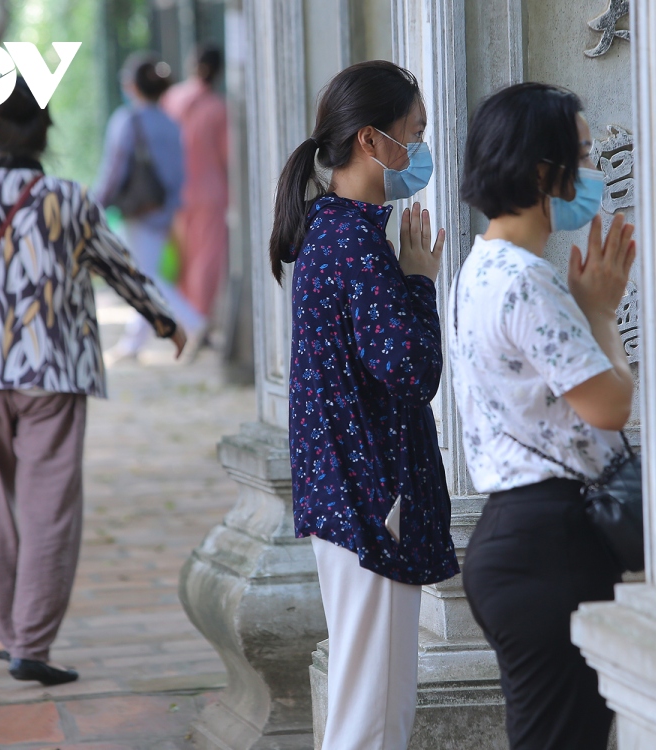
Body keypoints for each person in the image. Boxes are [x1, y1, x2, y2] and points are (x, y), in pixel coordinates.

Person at [0, 78, 186, 686]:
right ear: (45, 135)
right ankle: (29, 643)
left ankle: (9, 631)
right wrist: (163, 322)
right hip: (51, 373)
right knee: (48, 511)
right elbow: (118, 267)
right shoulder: (67, 198)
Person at [269, 60, 458, 750]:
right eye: (415, 133)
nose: (421, 150)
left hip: (351, 494)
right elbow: (412, 371)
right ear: (373, 142)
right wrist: (417, 284)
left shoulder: (335, 230)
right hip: (370, 498)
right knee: (372, 717)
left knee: (371, 704)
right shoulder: (355, 244)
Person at [449, 82, 636, 749]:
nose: (591, 170)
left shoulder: (481, 266)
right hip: (544, 547)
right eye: (581, 155)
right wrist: (604, 314)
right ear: (539, 170)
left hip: (522, 542)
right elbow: (610, 405)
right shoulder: (526, 279)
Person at [95, 52, 202, 363]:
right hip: (164, 208)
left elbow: (114, 171)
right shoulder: (171, 124)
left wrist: (96, 205)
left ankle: (195, 322)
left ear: (132, 86)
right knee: (144, 271)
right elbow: (180, 172)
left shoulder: (127, 120)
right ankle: (133, 343)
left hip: (138, 211)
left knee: (146, 277)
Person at [162, 46, 228, 349]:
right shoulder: (217, 108)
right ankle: (199, 320)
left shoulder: (171, 99)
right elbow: (228, 155)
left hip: (175, 193)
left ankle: (186, 320)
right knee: (207, 259)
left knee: (183, 258)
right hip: (209, 193)